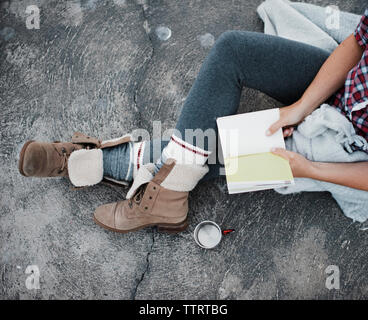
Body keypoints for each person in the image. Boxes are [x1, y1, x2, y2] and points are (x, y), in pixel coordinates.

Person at [18, 9, 368, 233]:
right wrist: (302, 106)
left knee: (224, 147)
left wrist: (309, 169)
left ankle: (92, 161)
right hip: (339, 86)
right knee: (232, 50)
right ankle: (167, 195)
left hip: (350, 148)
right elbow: (357, 42)